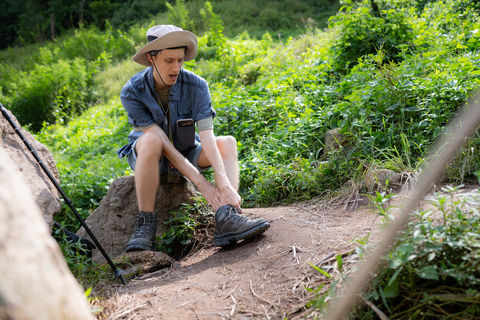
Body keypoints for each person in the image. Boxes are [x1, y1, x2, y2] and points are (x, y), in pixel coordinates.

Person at [117, 25, 270, 252]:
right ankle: (145, 224)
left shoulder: (198, 86)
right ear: (151, 58)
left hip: (188, 149)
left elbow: (207, 136)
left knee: (227, 143)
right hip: (150, 156)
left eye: (180, 60)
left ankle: (227, 216)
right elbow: (162, 142)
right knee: (151, 141)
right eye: (169, 60)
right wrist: (202, 184)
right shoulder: (132, 91)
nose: (176, 67)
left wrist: (223, 183)